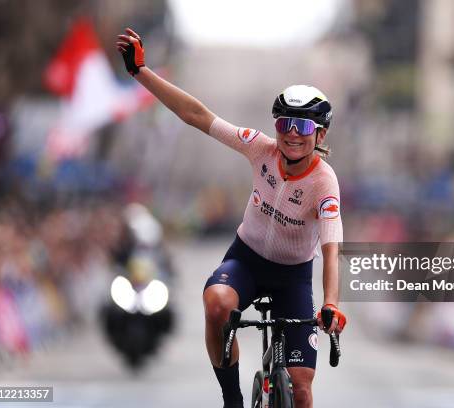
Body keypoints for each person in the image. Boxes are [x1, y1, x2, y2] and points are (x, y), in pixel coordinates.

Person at [117, 28, 347, 408]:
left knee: (303, 389)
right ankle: (232, 400)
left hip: (293, 276)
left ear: (319, 133)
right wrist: (140, 71)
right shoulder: (260, 148)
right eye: (284, 123)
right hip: (247, 260)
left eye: (303, 126)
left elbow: (331, 246)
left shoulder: (325, 183)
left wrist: (332, 303)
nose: (291, 134)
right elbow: (196, 114)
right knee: (218, 305)